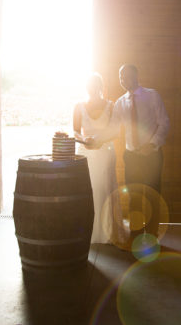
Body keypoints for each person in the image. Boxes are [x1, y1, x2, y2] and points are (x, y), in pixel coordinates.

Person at [87, 64, 170, 243]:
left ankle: (152, 235)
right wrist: (96, 139)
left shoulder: (152, 95)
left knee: (152, 195)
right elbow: (113, 129)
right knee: (134, 196)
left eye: (127, 75)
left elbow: (164, 123)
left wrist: (152, 144)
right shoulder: (120, 103)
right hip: (131, 157)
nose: (124, 79)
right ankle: (136, 235)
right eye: (121, 77)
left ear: (136, 75)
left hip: (152, 155)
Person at [73, 73, 125, 244]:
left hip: (105, 152)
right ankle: (88, 230)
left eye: (96, 86)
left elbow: (116, 131)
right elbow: (75, 131)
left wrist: (99, 141)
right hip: (86, 152)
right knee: (89, 189)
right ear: (86, 87)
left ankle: (108, 231)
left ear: (101, 87)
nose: (93, 89)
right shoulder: (79, 106)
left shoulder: (111, 106)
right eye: (90, 86)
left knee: (105, 187)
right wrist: (84, 140)